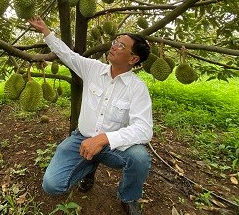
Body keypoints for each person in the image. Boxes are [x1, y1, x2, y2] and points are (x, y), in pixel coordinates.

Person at [28, 16, 153, 215]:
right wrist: (46, 32)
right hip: (81, 138)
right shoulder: (93, 69)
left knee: (139, 158)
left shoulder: (137, 88)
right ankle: (89, 166)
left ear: (133, 59)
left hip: (113, 146)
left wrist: (104, 139)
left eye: (121, 45)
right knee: (52, 185)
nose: (113, 46)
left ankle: (128, 196)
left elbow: (144, 129)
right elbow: (68, 55)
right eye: (115, 42)